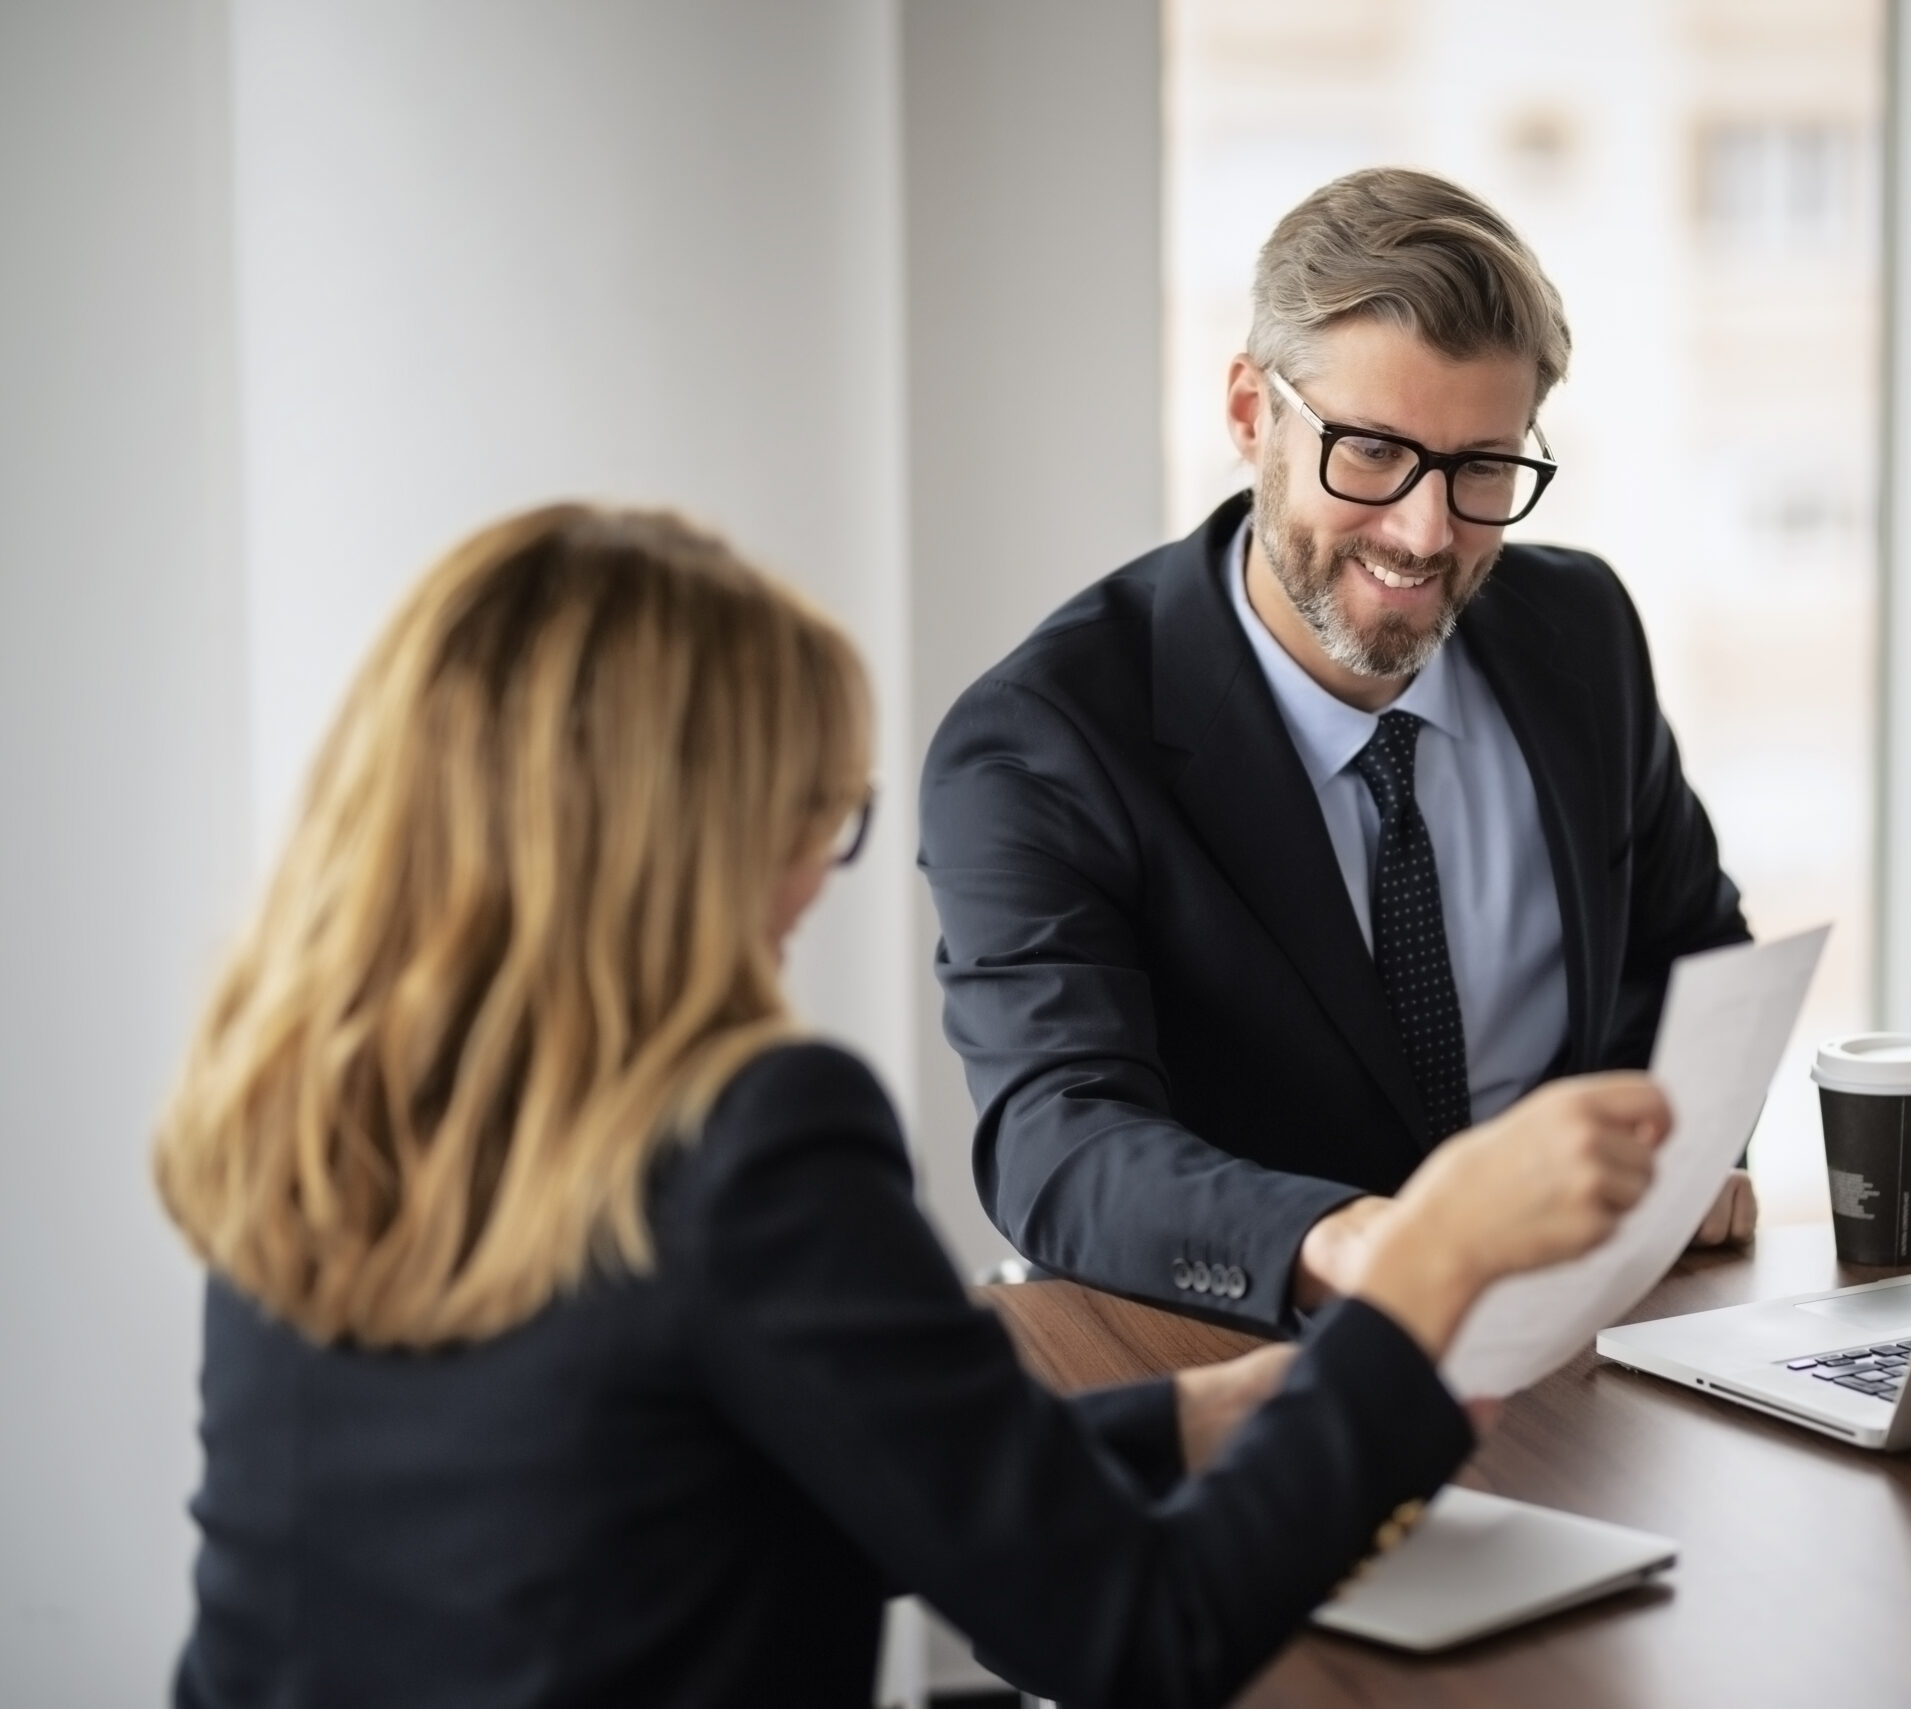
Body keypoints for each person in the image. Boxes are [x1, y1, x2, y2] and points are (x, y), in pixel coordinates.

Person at [152, 505, 1672, 1709]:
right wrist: (1427, 1277)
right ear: (678, 836)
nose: (820, 876)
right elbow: (1137, 1637)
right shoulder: (750, 1137)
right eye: (820, 810)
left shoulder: (309, 1102)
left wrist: (1209, 1417)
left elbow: (697, 1498)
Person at [923, 167, 1754, 1331]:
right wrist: (1370, 1245)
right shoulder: (1040, 741)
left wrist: (1678, 1147)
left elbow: (1688, 954)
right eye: (1369, 452)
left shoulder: (1582, 631)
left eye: (1481, 468)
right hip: (1242, 1361)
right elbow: (1060, 1141)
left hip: (1584, 1331)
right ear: (1250, 414)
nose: (1425, 533)